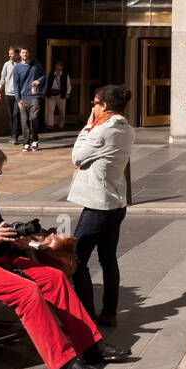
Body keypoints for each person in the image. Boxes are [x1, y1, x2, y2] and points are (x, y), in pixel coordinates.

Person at [0, 141, 128, 369]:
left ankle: (91, 348)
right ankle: (65, 362)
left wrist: (13, 240)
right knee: (27, 291)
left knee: (55, 278)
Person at [69, 84, 133, 326]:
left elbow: (77, 156)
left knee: (76, 258)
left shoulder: (101, 131)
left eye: (94, 103)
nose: (92, 107)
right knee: (108, 259)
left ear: (104, 106)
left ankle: (84, 315)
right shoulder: (127, 129)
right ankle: (109, 312)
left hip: (99, 204)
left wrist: (87, 125)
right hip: (116, 204)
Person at [13, 47, 45, 151]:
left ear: (29, 53)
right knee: (24, 121)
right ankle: (26, 143)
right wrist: (18, 99)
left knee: (33, 119)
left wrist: (38, 81)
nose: (25, 54)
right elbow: (16, 84)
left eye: (26, 52)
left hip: (34, 96)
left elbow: (43, 75)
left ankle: (35, 140)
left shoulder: (36, 64)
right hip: (23, 98)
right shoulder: (17, 68)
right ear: (20, 54)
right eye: (23, 52)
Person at [0, 46, 22, 145]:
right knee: (10, 115)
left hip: (18, 95)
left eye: (11, 53)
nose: (9, 55)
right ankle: (13, 134)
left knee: (16, 114)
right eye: (9, 53)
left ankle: (15, 136)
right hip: (8, 93)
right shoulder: (6, 64)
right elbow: (3, 79)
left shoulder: (21, 64)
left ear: (16, 54)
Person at [45, 61, 73, 131]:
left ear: (62, 67)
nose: (57, 67)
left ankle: (61, 124)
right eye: (56, 65)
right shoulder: (51, 74)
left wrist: (68, 93)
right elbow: (47, 83)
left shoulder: (65, 74)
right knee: (50, 110)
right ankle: (50, 124)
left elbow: (68, 84)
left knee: (62, 111)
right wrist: (44, 91)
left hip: (61, 94)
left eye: (59, 65)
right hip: (51, 94)